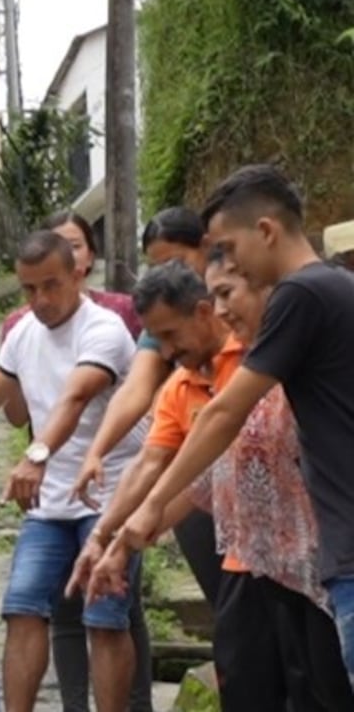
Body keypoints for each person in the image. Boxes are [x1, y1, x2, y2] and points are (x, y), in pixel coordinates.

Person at [112, 164, 354, 686]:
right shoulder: (335, 288)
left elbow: (225, 415)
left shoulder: (301, 295)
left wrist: (151, 505)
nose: (224, 268)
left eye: (228, 247)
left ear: (265, 231)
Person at [75, 257, 353, 710]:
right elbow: (172, 471)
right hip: (247, 562)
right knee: (245, 688)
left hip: (313, 563)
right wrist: (112, 539)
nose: (165, 352)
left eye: (170, 335)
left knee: (320, 692)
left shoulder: (269, 361)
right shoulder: (179, 387)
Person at [0, 231, 146, 712]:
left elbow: (77, 395)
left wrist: (36, 455)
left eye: (50, 285)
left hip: (110, 496)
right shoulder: (23, 333)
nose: (39, 300)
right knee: (21, 608)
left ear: (78, 275)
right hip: (50, 506)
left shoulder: (102, 329)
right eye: (29, 289)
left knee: (104, 619)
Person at [74, 207, 223, 610]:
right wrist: (97, 452)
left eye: (176, 261)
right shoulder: (178, 370)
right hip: (195, 493)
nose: (169, 350)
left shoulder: (251, 343)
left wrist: (129, 532)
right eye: (156, 266)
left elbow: (223, 441)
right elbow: (138, 397)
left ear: (207, 249)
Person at [1, 210, 143, 340]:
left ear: (91, 256)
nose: (67, 254)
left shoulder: (124, 310)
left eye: (75, 246)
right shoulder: (18, 325)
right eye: (56, 247)